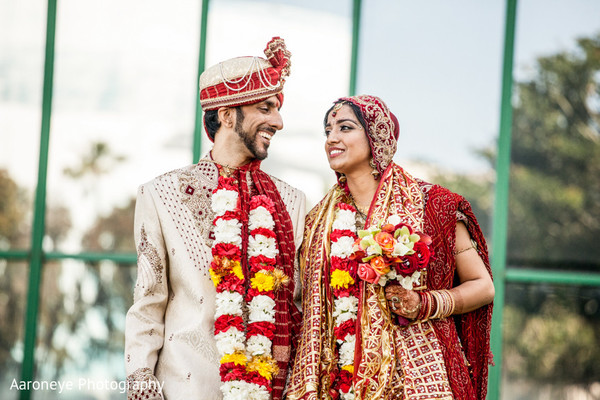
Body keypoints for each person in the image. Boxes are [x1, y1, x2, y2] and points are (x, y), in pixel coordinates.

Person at [124, 37, 306, 400]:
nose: (279, 121)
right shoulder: (161, 194)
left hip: (271, 388)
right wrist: (141, 383)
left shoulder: (292, 202)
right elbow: (148, 301)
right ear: (226, 115)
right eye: (265, 108)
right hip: (183, 388)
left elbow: (300, 304)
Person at [287, 95, 494, 400]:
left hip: (421, 377)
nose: (332, 137)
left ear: (377, 136)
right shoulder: (318, 221)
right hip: (338, 381)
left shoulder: (433, 206)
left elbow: (483, 286)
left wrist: (424, 304)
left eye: (345, 127)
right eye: (328, 130)